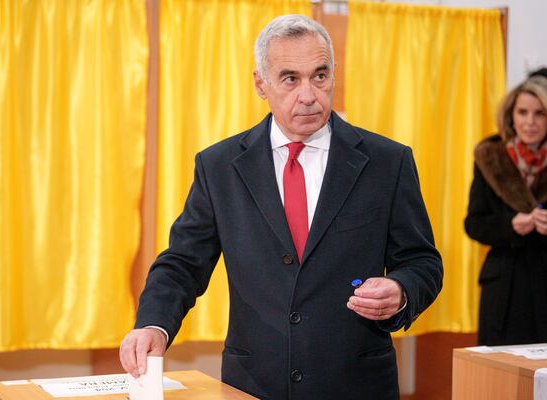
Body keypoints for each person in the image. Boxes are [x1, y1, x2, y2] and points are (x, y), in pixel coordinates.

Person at [120, 14, 443, 399]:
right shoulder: (219, 166)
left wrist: (401, 289)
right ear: (261, 83)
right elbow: (183, 263)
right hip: (254, 383)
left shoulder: (387, 162)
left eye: (320, 76)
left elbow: (423, 262)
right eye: (290, 78)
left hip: (356, 383)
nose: (308, 94)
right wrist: (154, 325)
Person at [465, 76, 547, 346]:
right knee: (500, 377)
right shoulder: (491, 157)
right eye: (522, 112)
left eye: (539, 113)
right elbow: (474, 224)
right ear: (511, 116)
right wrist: (511, 224)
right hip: (504, 288)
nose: (530, 122)